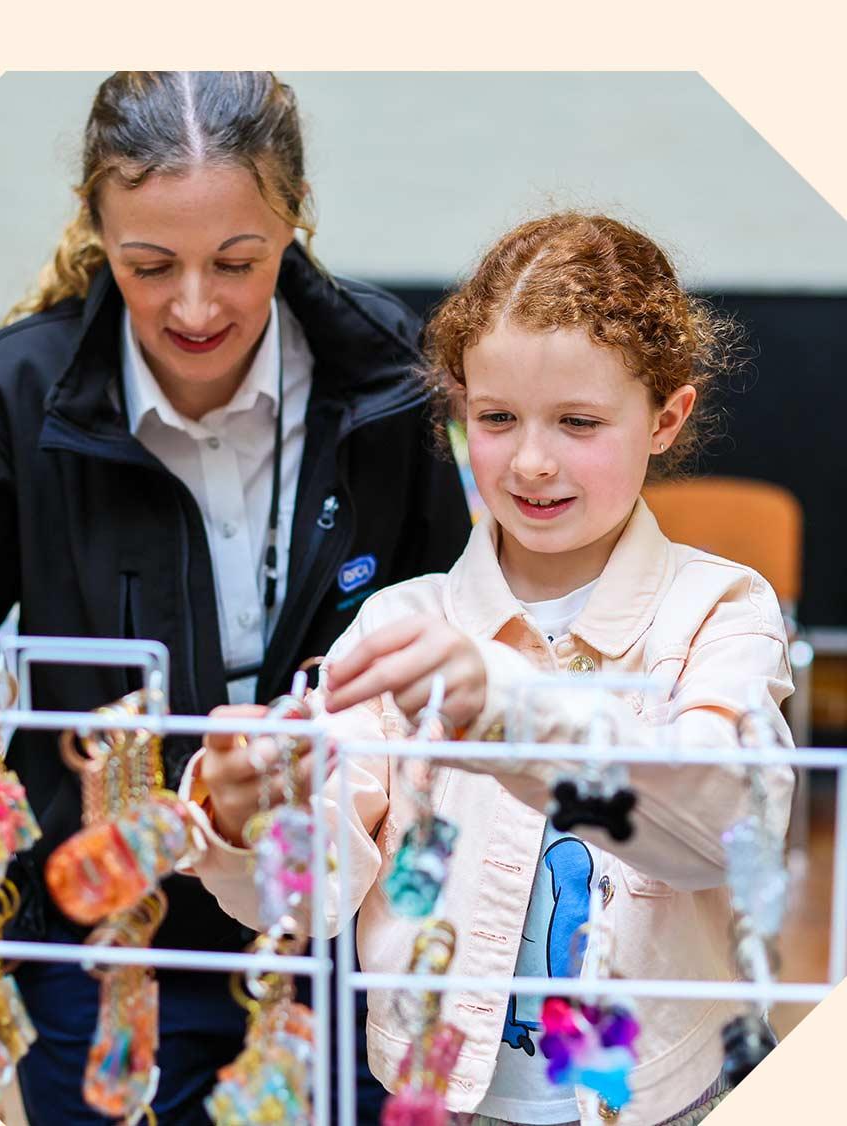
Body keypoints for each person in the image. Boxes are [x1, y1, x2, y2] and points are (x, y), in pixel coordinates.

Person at [0, 71, 472, 1124]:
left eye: (236, 261)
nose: (195, 306)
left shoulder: (383, 381)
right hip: (101, 937)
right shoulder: (8, 396)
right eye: (150, 266)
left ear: (292, 222)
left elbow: (449, 624)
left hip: (336, 914)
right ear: (99, 234)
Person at [182, 212, 795, 1125]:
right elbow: (314, 897)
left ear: (666, 418)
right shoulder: (401, 623)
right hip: (445, 1098)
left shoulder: (722, 611)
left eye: (579, 422)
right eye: (497, 418)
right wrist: (245, 813)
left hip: (672, 1097)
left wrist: (509, 714)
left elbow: (722, 832)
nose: (532, 460)